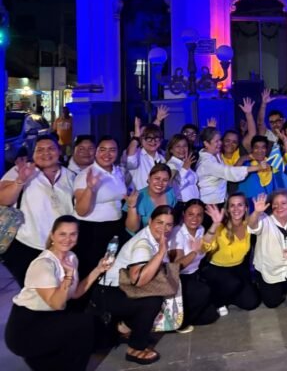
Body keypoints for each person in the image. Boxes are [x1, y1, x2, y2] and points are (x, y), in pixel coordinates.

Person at [5, 215, 110, 371]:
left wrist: (98, 269)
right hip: (26, 328)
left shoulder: (71, 258)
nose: (68, 239)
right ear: (52, 235)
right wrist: (68, 276)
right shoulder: (44, 264)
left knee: (85, 326)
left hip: (48, 321)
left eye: (73, 234)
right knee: (83, 324)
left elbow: (75, 293)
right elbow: (57, 304)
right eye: (62, 234)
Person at [97, 205, 175, 365]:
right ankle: (135, 348)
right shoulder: (143, 244)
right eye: (159, 222)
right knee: (152, 302)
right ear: (150, 221)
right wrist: (161, 253)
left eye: (168, 224)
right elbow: (137, 280)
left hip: (122, 288)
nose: (164, 228)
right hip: (109, 292)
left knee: (158, 293)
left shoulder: (156, 238)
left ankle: (125, 328)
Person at [0, 137, 76, 285]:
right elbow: (3, 200)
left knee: (57, 290)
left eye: (51, 149)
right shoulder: (20, 170)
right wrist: (20, 181)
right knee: (31, 293)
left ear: (59, 151)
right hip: (26, 245)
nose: (45, 153)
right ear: (32, 153)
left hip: (60, 246)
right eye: (40, 150)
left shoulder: (69, 176)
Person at [73, 136, 128, 278]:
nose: (107, 154)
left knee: (109, 268)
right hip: (91, 230)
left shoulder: (118, 172)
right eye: (102, 150)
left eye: (112, 150)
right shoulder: (86, 175)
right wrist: (90, 188)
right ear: (96, 152)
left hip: (114, 227)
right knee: (89, 270)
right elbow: (81, 210)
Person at [200, 193, 260, 315]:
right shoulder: (219, 226)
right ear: (227, 209)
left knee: (251, 303)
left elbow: (254, 223)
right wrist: (215, 224)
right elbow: (203, 247)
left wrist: (257, 212)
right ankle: (218, 301)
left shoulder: (247, 224)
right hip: (216, 269)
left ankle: (227, 295)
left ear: (246, 208)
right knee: (234, 283)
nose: (236, 209)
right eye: (232, 206)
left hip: (238, 268)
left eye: (240, 205)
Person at [168, 199, 219, 332]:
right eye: (191, 214)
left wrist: (216, 223)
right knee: (203, 291)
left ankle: (187, 313)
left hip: (195, 274)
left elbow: (206, 246)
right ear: (184, 214)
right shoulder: (177, 233)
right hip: (178, 279)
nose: (195, 218)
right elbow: (177, 266)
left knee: (211, 316)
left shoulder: (200, 229)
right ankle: (177, 323)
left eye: (199, 215)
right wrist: (194, 252)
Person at [196, 127, 260, 205]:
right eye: (216, 141)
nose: (220, 143)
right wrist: (258, 167)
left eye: (220, 140)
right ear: (206, 143)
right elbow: (229, 172)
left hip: (220, 200)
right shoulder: (207, 163)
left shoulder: (214, 154)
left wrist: (211, 128)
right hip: (210, 203)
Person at [125, 163, 178, 233]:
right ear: (149, 178)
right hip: (143, 238)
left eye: (165, 180)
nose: (160, 183)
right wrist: (132, 207)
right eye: (157, 178)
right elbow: (132, 229)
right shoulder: (138, 197)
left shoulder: (170, 192)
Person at [125, 122, 166, 191]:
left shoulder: (162, 159)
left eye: (156, 138)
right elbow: (130, 157)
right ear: (141, 140)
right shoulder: (137, 155)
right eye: (148, 138)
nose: (153, 142)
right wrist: (136, 137)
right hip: (140, 199)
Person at [165, 134, 199, 203]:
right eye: (178, 146)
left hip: (193, 203)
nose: (182, 149)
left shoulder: (185, 162)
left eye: (185, 146)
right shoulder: (171, 165)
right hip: (182, 203)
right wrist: (184, 169)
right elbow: (173, 187)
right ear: (171, 150)